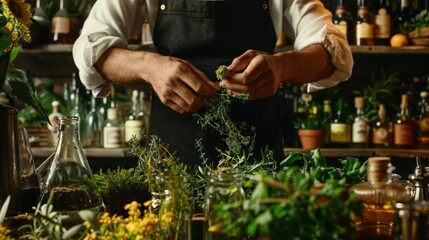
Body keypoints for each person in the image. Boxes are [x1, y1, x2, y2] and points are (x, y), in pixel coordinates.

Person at [72, 0, 353, 166]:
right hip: (172, 160)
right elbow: (89, 48)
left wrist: (281, 67)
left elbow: (333, 51)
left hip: (257, 165)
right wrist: (149, 66)